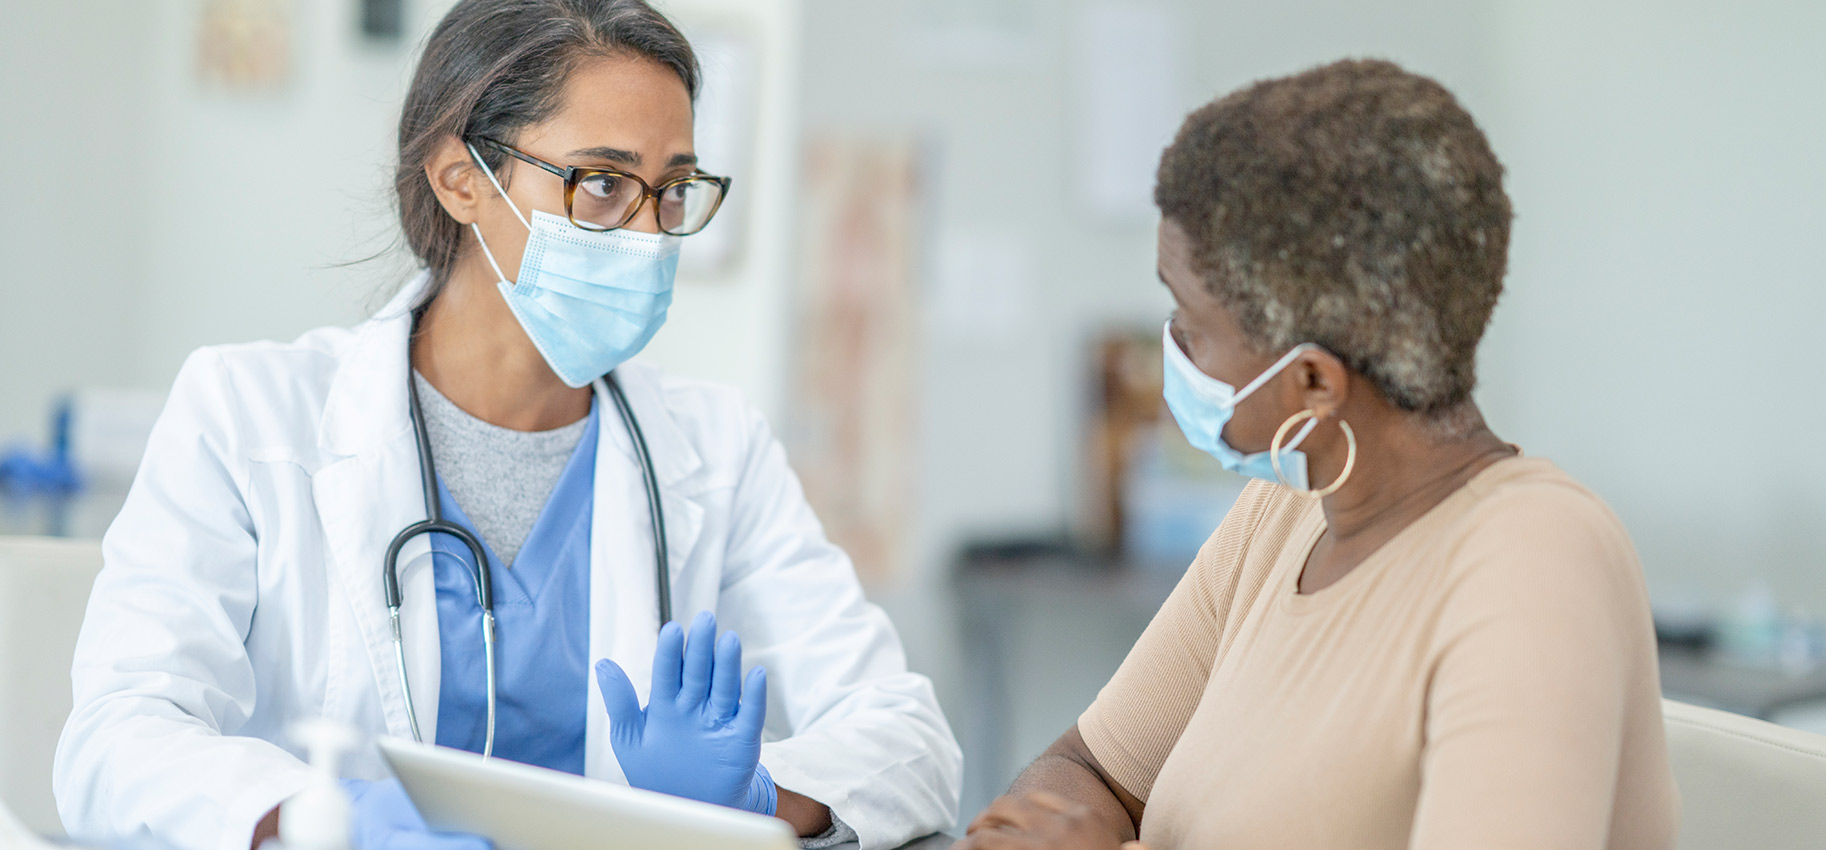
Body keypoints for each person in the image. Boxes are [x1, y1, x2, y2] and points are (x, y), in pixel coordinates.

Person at [52, 2, 959, 849]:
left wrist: (752, 799)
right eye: (601, 183)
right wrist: (322, 817)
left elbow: (908, 740)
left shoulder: (716, 450)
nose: (646, 232)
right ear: (460, 180)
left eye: (673, 189)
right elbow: (117, 735)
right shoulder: (249, 414)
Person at [959, 60, 1678, 850]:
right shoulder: (1285, 509)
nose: (1173, 350)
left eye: (1188, 322)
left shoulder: (1533, 564)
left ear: (1310, 383)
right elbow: (1087, 768)